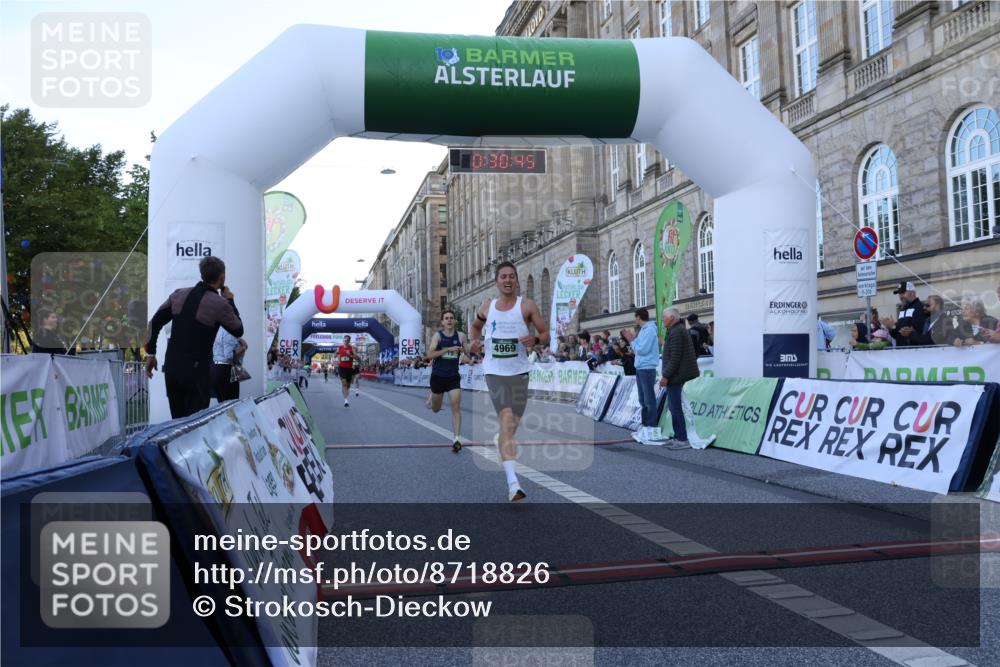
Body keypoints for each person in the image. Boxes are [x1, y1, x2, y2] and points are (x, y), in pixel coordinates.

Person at [469, 261, 550, 501]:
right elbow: (474, 327)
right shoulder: (487, 306)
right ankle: (513, 484)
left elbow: (545, 333)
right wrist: (473, 342)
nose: (507, 280)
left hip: (519, 371)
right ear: (496, 281)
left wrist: (535, 340)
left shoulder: (527, 306)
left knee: (510, 427)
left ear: (516, 280)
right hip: (494, 372)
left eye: (511, 276)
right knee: (505, 419)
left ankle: (501, 439)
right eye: (503, 276)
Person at [145, 256, 244, 419]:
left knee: (176, 424)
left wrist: (151, 354)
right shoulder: (220, 304)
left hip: (172, 369)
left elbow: (153, 323)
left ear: (202, 274)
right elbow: (238, 329)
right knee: (195, 427)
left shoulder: (178, 295)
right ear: (222, 278)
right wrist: (230, 301)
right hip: (197, 373)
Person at [426, 309, 469, 453]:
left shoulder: (461, 336)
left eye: (451, 318)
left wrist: (469, 351)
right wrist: (447, 349)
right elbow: (430, 354)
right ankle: (432, 396)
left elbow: (468, 353)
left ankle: (456, 439)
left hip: (453, 377)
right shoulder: (438, 336)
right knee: (436, 409)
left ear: (455, 321)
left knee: (456, 407)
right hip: (438, 377)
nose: (449, 320)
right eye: (446, 318)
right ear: (442, 322)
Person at [659, 308, 700, 446]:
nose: (662, 319)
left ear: (672, 318)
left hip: (676, 375)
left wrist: (665, 376)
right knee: (673, 406)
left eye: (664, 317)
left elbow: (675, 358)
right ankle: (678, 436)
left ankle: (682, 439)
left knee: (675, 407)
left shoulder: (676, 332)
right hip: (676, 374)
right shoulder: (675, 330)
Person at [630, 308, 666, 445]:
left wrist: (631, 341)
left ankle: (650, 426)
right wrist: (634, 343)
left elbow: (641, 350)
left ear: (639, 317)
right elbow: (639, 348)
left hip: (647, 368)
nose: (635, 320)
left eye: (635, 317)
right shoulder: (644, 330)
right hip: (641, 367)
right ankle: (645, 426)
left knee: (649, 399)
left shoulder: (649, 330)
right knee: (642, 399)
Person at [212, 327, 246, 402]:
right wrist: (243, 348)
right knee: (231, 404)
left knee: (223, 403)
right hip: (226, 370)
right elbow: (229, 356)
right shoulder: (230, 333)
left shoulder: (219, 330)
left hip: (217, 369)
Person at [891, 281, 927, 347]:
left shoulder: (920, 307)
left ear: (912, 293)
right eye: (899, 294)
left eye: (903, 293)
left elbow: (919, 330)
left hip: (915, 351)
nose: (901, 296)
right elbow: (897, 335)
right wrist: (891, 328)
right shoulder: (902, 309)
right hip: (901, 350)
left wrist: (896, 327)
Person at [335, 336, 356, 407]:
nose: (346, 341)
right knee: (344, 383)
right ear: (343, 340)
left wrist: (350, 355)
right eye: (345, 340)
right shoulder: (340, 348)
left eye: (347, 340)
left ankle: (345, 392)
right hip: (342, 368)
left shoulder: (352, 348)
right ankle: (346, 400)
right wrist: (336, 356)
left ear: (349, 341)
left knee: (348, 385)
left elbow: (357, 357)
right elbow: (335, 355)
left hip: (349, 368)